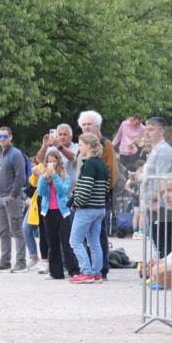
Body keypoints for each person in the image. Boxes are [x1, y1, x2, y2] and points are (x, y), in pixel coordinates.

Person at [75, 110, 119, 279]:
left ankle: (96, 270)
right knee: (93, 239)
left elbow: (112, 174)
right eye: (84, 124)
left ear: (97, 126)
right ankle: (96, 271)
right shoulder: (84, 149)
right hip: (92, 199)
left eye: (89, 124)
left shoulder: (105, 145)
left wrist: (99, 195)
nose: (86, 127)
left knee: (94, 237)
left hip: (93, 200)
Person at [131, 117, 172, 259]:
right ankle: (163, 269)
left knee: (163, 243)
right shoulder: (156, 150)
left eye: (151, 130)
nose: (146, 133)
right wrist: (138, 177)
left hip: (161, 205)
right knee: (159, 241)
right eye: (146, 130)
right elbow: (152, 176)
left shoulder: (163, 151)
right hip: (154, 203)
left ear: (161, 132)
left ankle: (165, 271)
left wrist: (155, 202)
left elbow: (161, 179)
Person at [69, 133, 110, 284]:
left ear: (88, 146)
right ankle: (96, 273)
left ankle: (86, 272)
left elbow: (85, 189)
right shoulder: (102, 164)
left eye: (80, 145)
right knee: (94, 242)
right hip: (99, 208)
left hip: (87, 208)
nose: (79, 148)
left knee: (75, 241)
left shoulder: (89, 164)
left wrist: (75, 203)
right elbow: (106, 188)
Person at [0, 127, 28, 272]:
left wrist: (12, 195)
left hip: (12, 199)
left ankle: (21, 262)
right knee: (3, 232)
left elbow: (21, 177)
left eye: (5, 136)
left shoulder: (16, 154)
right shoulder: (0, 155)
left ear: (11, 137)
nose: (2, 139)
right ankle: (5, 261)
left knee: (17, 231)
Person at [36, 149, 72, 279]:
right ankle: (56, 272)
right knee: (52, 243)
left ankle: (73, 270)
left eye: (54, 161)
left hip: (62, 213)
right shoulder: (44, 176)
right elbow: (41, 192)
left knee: (66, 242)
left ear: (58, 162)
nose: (51, 164)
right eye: (49, 161)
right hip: (48, 212)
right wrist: (43, 178)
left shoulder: (64, 176)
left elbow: (63, 191)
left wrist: (55, 176)